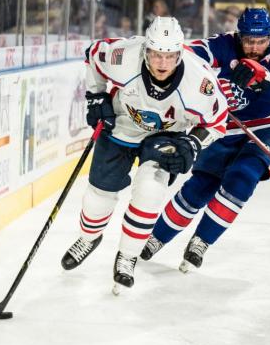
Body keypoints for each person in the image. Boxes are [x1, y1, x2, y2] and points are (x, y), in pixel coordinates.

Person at [60, 16, 228, 293]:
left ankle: (127, 257)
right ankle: (88, 238)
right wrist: (96, 97)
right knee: (97, 198)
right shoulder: (124, 56)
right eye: (156, 55)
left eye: (170, 56)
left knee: (150, 191)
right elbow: (93, 55)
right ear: (146, 50)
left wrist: (193, 144)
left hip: (168, 135)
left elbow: (217, 121)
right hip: (122, 124)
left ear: (180, 53)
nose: (163, 63)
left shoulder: (199, 82)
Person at [140, 8, 270, 272]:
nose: (254, 47)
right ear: (239, 35)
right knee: (201, 183)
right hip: (230, 125)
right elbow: (188, 53)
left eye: (260, 41)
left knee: (243, 175)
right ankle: (157, 237)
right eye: (248, 40)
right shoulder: (223, 45)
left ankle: (201, 241)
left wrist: (262, 77)